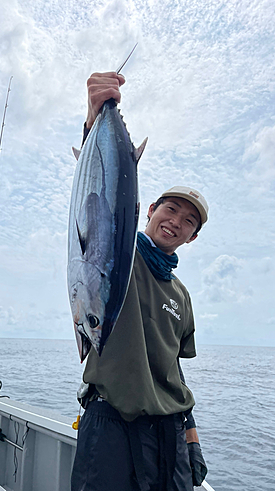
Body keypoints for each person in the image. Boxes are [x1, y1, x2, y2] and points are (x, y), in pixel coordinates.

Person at [71, 72, 208, 491]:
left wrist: (192, 438)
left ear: (193, 236)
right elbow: (97, 206)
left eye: (189, 221)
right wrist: (94, 120)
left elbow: (174, 373)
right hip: (110, 425)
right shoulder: (117, 256)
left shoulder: (180, 295)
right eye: (170, 209)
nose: (176, 222)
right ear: (149, 208)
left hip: (169, 434)